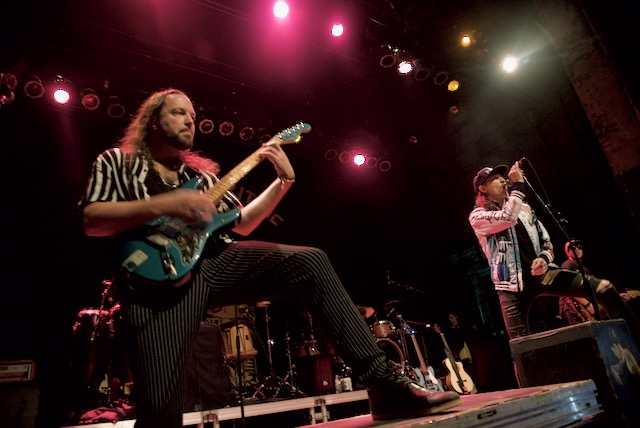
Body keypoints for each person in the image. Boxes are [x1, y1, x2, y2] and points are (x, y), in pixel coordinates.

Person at [78, 88, 461, 427]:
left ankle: (384, 388)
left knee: (308, 260)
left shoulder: (204, 180)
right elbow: (92, 220)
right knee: (160, 414)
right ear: (152, 119)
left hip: (215, 260)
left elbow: (242, 223)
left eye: (194, 116)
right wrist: (167, 203)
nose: (190, 121)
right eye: (179, 112)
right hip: (153, 285)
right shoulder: (116, 162)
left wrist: (283, 181)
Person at [468, 162, 640, 349]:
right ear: (483, 189)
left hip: (543, 275)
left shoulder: (525, 209)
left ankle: (634, 345)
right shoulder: (478, 216)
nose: (502, 180)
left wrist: (544, 258)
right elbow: (508, 217)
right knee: (522, 347)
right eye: (495, 179)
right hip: (510, 288)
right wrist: (518, 185)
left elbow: (547, 242)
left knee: (604, 288)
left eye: (502, 177)